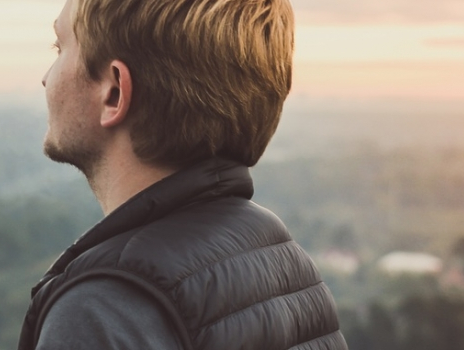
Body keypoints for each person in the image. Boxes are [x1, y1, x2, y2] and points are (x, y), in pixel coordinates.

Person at [18, 0, 347, 349]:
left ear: (113, 92)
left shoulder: (102, 309)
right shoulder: (279, 260)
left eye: (59, 47)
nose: (44, 78)